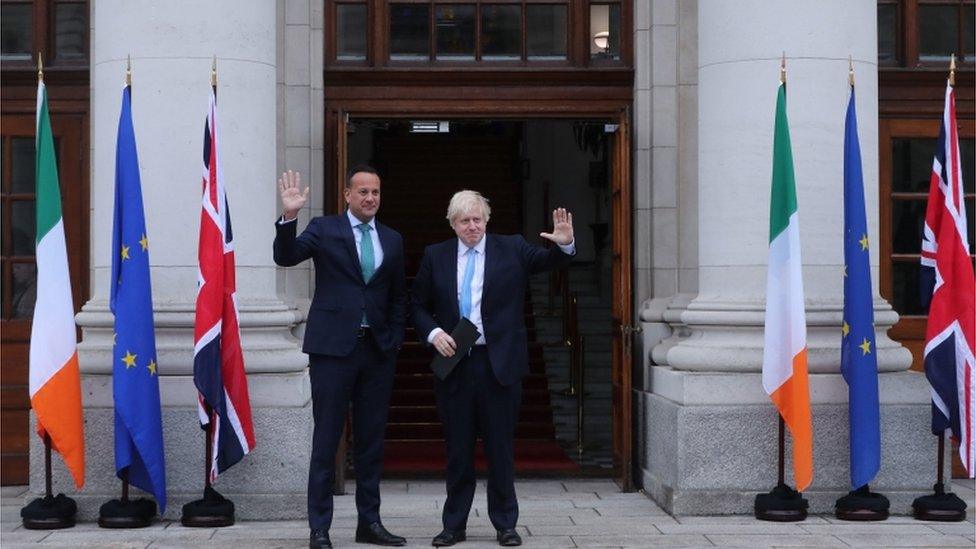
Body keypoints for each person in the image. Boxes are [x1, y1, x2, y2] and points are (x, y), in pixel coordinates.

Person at [410, 190, 575, 547]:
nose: (473, 227)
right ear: (453, 224)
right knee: (458, 450)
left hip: (497, 364)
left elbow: (549, 263)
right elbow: (417, 304)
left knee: (500, 448)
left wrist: (564, 245)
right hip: (455, 363)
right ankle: (454, 525)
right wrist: (434, 333)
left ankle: (505, 524)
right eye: (465, 221)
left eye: (478, 220)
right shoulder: (435, 256)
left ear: (487, 220)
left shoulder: (512, 247)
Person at [274, 166, 407, 549]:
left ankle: (370, 523)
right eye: (362, 191)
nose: (370, 198)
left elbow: (398, 294)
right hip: (333, 350)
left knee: (371, 441)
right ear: (347, 195)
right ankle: (319, 528)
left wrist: (394, 339)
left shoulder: (392, 239)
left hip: (376, 351)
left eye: (376, 192)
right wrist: (289, 217)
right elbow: (286, 257)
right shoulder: (324, 228)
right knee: (327, 438)